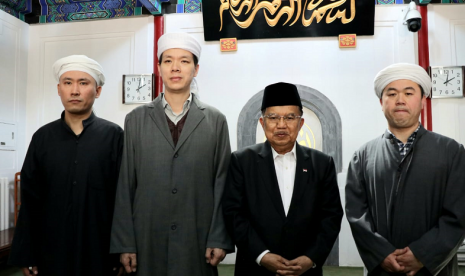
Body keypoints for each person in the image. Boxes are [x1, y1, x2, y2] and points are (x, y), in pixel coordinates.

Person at [110, 32, 233, 276]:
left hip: (196, 236)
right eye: (168, 61)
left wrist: (219, 237)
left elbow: (223, 183)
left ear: (196, 69)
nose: (175, 67)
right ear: (159, 67)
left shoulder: (215, 120)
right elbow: (125, 184)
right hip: (147, 236)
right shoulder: (136, 119)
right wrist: (125, 243)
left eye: (185, 61)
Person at [345, 63, 465, 276]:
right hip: (382, 269)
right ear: (382, 103)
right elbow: (356, 214)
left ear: (422, 101)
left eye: (409, 93)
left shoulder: (451, 151)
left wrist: (422, 254)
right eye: (391, 93)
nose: (400, 100)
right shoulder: (362, 156)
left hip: (435, 269)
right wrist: (381, 254)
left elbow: (459, 213)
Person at [9, 55, 124, 276]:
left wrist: (121, 250)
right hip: (51, 250)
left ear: (97, 91)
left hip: (100, 250)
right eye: (68, 82)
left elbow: (123, 199)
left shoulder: (114, 136)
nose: (74, 91)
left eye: (83, 83)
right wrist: (27, 252)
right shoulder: (42, 138)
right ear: (59, 89)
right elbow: (30, 199)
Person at [223, 82, 343, 276]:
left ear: (300, 123)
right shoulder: (242, 161)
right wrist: (262, 255)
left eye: (289, 117)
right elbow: (233, 213)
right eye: (273, 117)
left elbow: (331, 216)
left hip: (304, 270)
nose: (281, 125)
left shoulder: (321, 163)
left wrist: (310, 258)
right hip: (254, 268)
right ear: (262, 123)